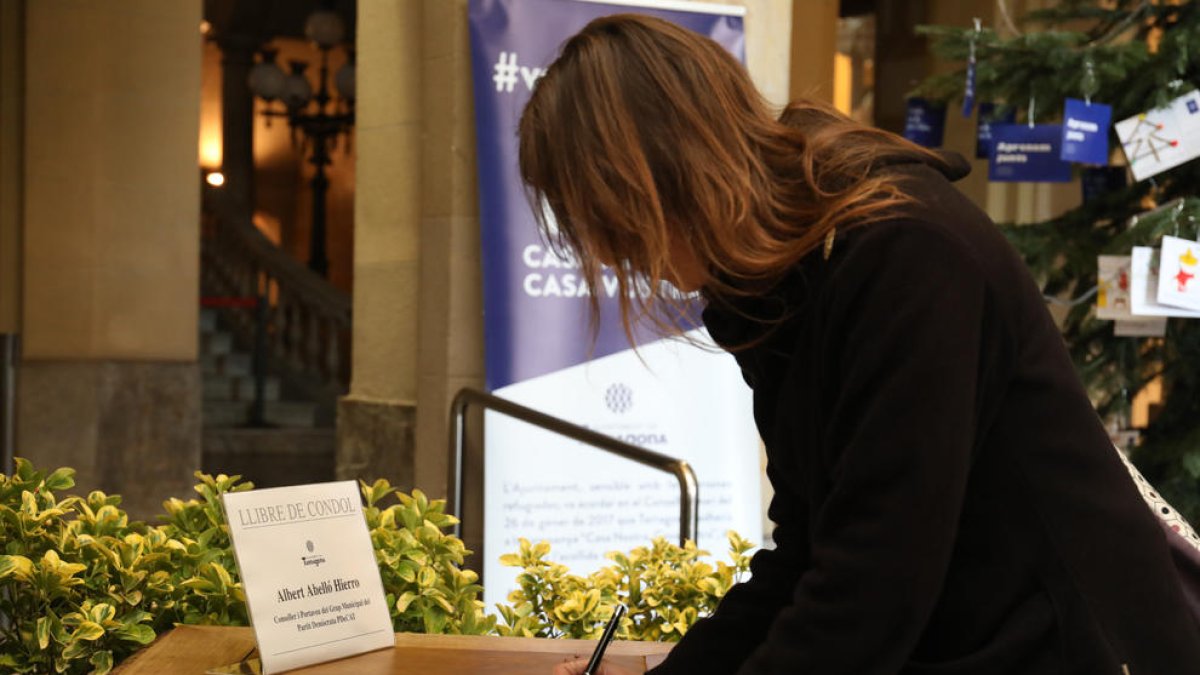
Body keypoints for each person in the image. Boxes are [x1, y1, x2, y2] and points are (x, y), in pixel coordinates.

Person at [523, 14, 1200, 675]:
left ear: (667, 173)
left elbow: (873, 586)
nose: (616, 258)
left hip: (1080, 645)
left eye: (610, 223)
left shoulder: (905, 252)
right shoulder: (779, 283)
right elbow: (808, 557)